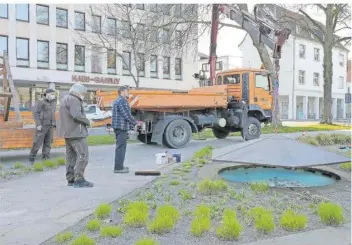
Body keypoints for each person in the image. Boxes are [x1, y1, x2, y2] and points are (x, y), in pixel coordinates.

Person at [57, 83, 93, 188]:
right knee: (83, 155)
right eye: (83, 93)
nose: (83, 96)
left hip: (68, 133)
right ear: (77, 92)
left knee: (71, 157)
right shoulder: (74, 100)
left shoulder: (65, 99)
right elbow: (77, 116)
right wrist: (88, 121)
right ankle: (79, 179)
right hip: (76, 133)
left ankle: (70, 179)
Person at [112, 85, 137, 174]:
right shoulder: (122, 101)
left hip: (118, 127)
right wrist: (135, 122)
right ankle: (118, 168)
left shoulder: (118, 100)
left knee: (120, 147)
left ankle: (120, 166)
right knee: (121, 148)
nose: (128, 93)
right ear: (122, 92)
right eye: (127, 91)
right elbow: (126, 115)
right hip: (121, 127)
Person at [29, 88, 57, 164]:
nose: (53, 95)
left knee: (48, 143)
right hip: (42, 126)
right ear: (47, 94)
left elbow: (53, 114)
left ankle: (46, 158)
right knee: (37, 143)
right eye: (52, 94)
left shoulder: (53, 102)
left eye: (53, 94)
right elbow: (35, 113)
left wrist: (54, 124)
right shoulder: (41, 102)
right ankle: (32, 157)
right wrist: (38, 124)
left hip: (50, 126)